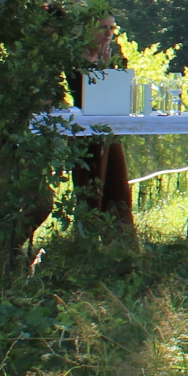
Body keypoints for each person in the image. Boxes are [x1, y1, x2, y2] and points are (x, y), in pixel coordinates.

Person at [68, 13, 137, 232]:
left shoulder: (111, 58)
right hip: (84, 132)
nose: (109, 33)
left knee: (117, 184)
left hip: (109, 129)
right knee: (91, 187)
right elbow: (85, 97)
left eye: (112, 28)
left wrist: (108, 67)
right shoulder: (74, 59)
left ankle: (119, 237)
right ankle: (87, 237)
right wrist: (101, 70)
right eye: (103, 28)